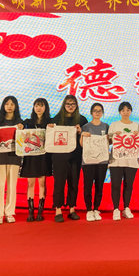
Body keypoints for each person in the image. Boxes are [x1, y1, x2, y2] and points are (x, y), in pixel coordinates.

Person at [50, 95, 88, 223]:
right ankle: (58, 209)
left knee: (74, 182)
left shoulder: (82, 119)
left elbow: (86, 138)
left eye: (73, 104)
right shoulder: (56, 119)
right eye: (68, 104)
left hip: (75, 156)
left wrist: (80, 132)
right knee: (59, 183)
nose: (70, 106)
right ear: (64, 105)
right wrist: (50, 127)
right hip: (59, 156)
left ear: (76, 105)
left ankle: (72, 208)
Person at [0, 96, 24, 225]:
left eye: (12, 104)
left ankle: (9, 212)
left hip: (14, 157)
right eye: (7, 104)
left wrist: (22, 129)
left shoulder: (20, 122)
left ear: (16, 106)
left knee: (12, 186)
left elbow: (23, 141)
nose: (9, 106)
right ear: (3, 106)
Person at [20, 98, 52, 222]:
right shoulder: (27, 122)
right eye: (36, 105)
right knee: (30, 183)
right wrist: (20, 126)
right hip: (31, 157)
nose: (38, 108)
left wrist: (52, 127)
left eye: (41, 105)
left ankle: (40, 211)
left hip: (43, 157)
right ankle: (30, 212)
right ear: (33, 107)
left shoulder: (50, 122)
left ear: (45, 108)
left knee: (42, 183)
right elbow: (20, 131)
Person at [108, 102, 139, 220]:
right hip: (116, 159)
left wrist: (137, 135)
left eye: (128, 110)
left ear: (131, 111)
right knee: (116, 185)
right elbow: (108, 141)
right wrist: (113, 135)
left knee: (129, 185)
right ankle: (116, 209)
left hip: (131, 160)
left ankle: (126, 208)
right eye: (123, 110)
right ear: (119, 112)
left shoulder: (136, 125)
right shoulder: (114, 125)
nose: (125, 112)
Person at [80, 103, 109, 221]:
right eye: (95, 111)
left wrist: (111, 138)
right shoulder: (86, 127)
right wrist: (82, 135)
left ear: (102, 113)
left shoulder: (106, 126)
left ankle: (96, 209)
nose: (97, 113)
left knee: (99, 186)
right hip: (88, 161)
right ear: (91, 112)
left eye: (99, 111)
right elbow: (82, 144)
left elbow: (109, 143)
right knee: (88, 186)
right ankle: (89, 209)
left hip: (102, 161)